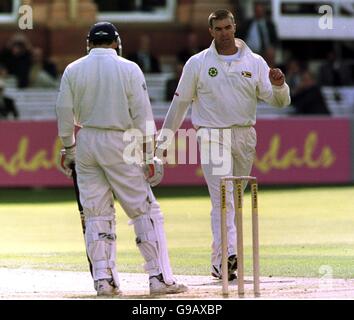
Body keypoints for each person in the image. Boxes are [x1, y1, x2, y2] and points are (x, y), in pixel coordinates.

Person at [155, 10, 290, 281]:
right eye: (219, 29)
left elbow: (279, 102)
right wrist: (163, 142)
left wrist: (280, 86)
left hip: (244, 135)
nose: (225, 33)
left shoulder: (255, 61)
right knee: (223, 198)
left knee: (235, 200)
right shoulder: (198, 63)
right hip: (211, 134)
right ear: (211, 32)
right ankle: (228, 256)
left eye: (228, 27)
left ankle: (222, 260)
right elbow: (180, 104)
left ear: (235, 26)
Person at [55, 22, 187, 296]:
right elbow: (142, 114)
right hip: (121, 140)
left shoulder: (73, 69)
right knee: (144, 209)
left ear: (89, 44)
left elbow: (64, 112)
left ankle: (104, 280)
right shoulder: (129, 68)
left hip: (88, 139)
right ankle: (158, 277)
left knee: (96, 212)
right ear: (116, 43)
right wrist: (149, 154)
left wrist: (69, 148)